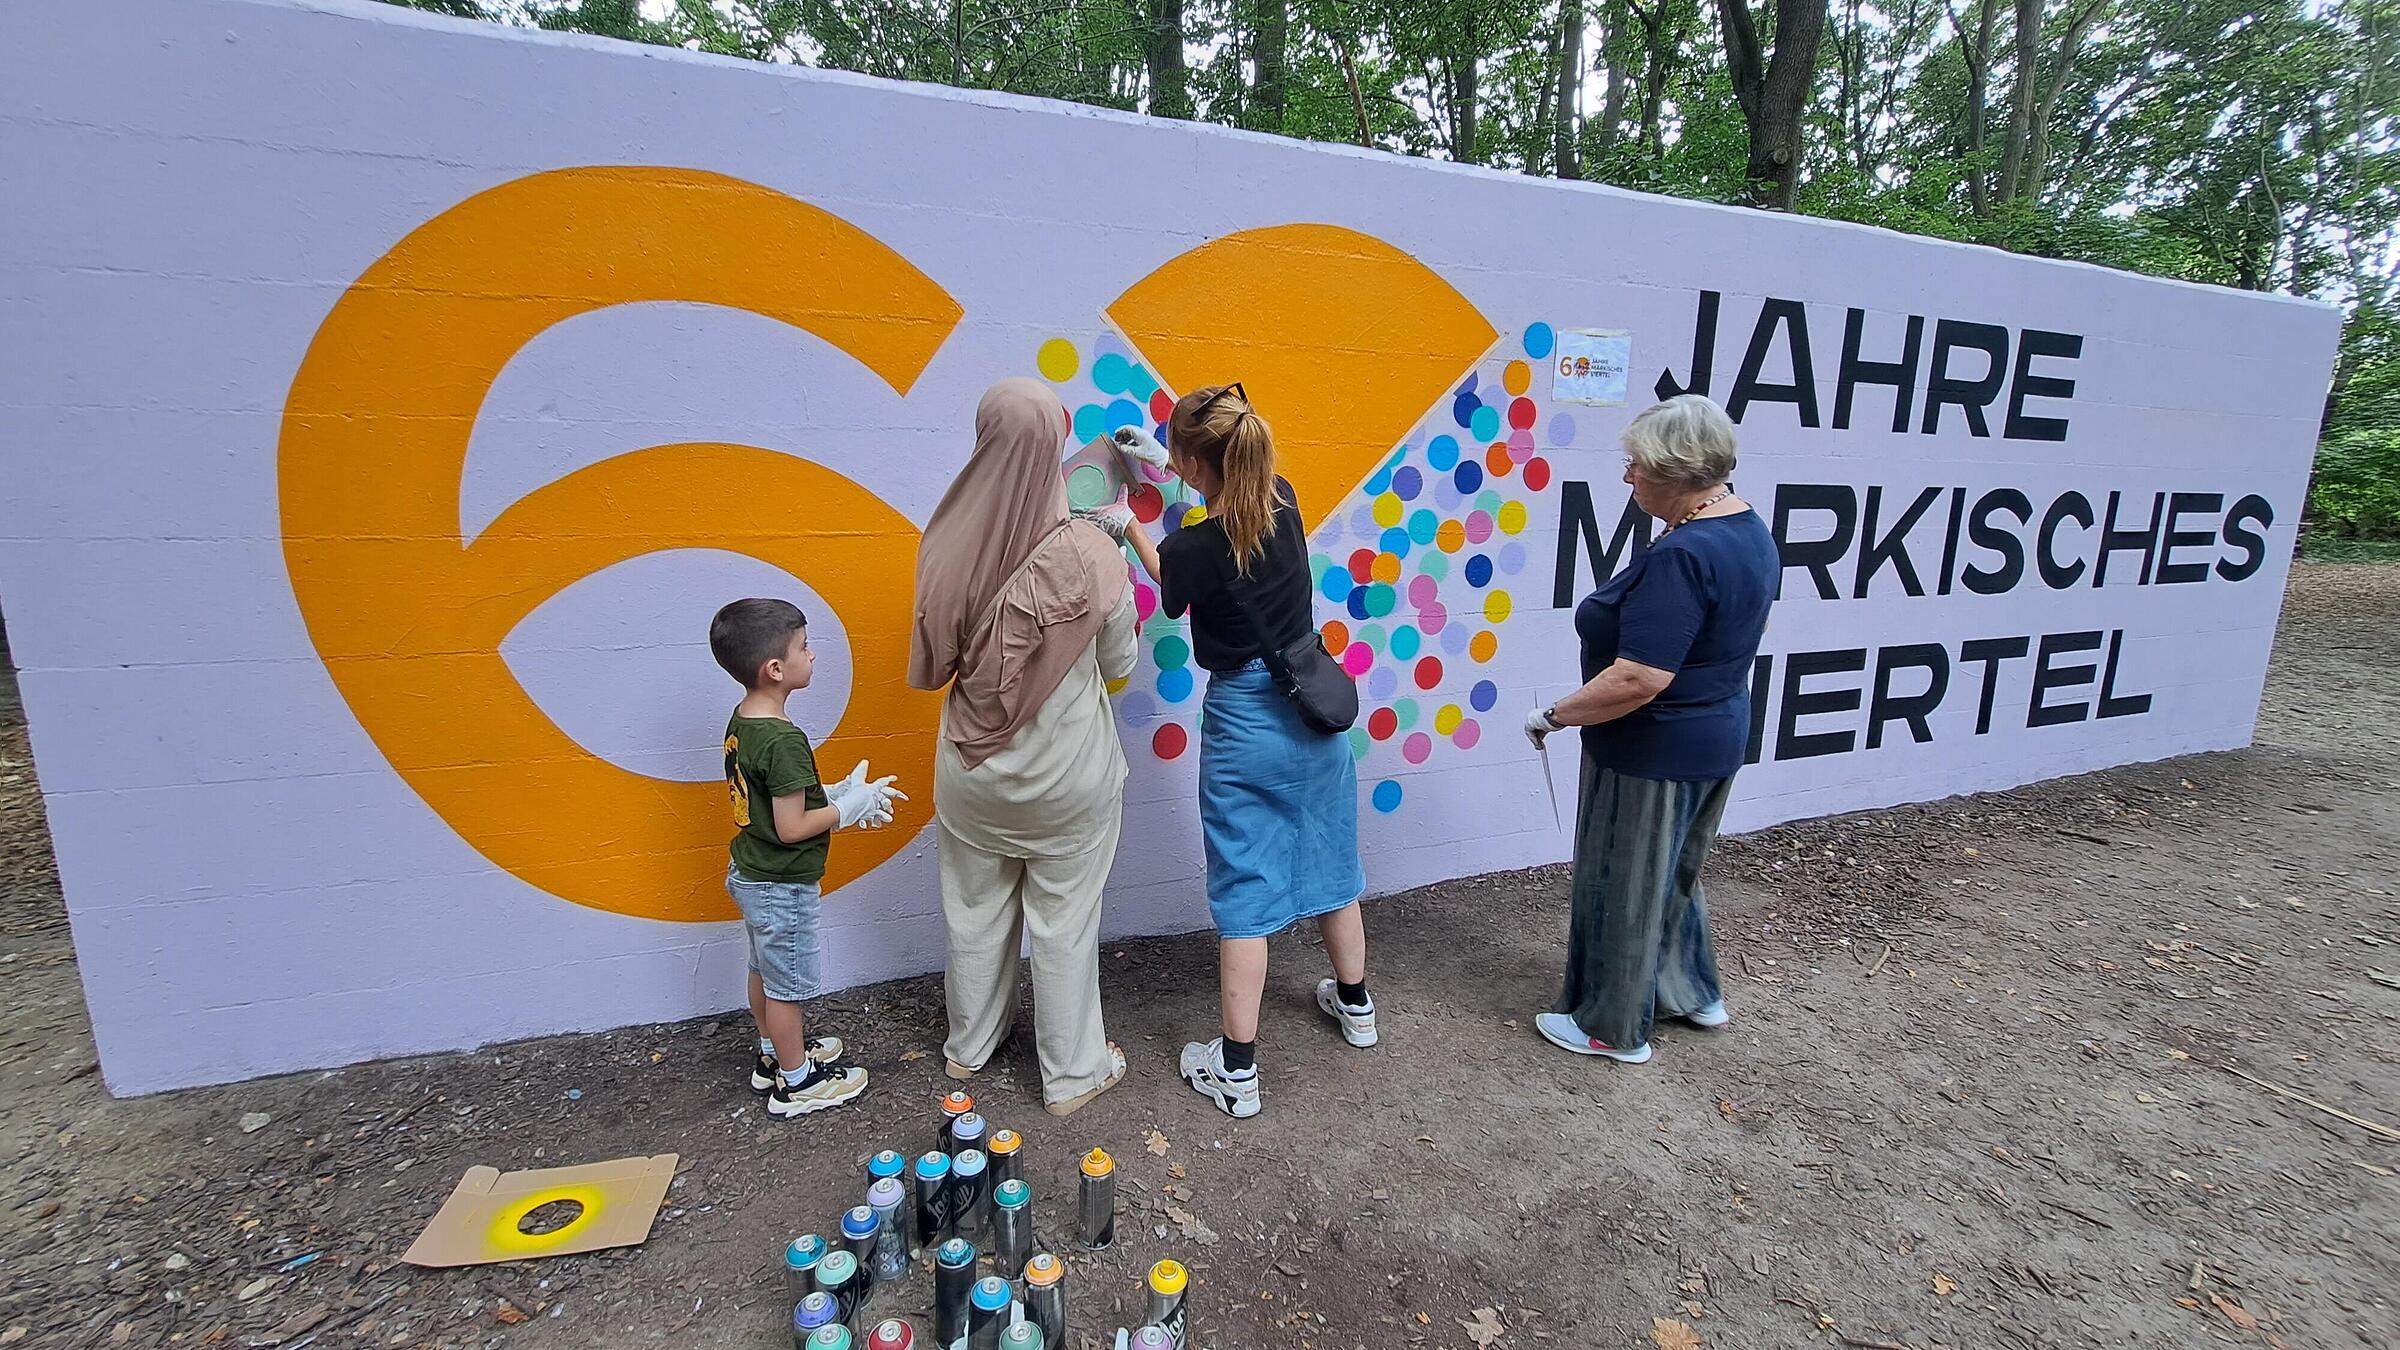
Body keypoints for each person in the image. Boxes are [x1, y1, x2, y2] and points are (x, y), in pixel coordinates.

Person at [1113, 384, 1375, 1120]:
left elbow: (1174, 580)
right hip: (1313, 709)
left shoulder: (1194, 545)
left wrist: (1126, 524)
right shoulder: (1283, 499)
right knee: (1332, 862)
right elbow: (1233, 502)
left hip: (1247, 723)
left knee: (1244, 891)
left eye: (1180, 458)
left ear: (1197, 460)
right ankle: (1357, 1009)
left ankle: (1236, 1071)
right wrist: (1175, 473)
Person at [1521, 394, 1778, 1064]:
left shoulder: (1684, 555)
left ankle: (1612, 1027)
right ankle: (1692, 992)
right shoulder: (1746, 527)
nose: (1627, 478)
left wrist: (1555, 714)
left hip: (1652, 746)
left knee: (1624, 883)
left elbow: (1640, 678)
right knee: (1672, 874)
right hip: (1715, 734)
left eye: (1637, 465)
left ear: (1677, 470)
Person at [909, 378, 1138, 1118]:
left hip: (971, 773)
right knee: (1065, 921)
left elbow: (932, 663)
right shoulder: (1094, 553)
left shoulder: (942, 543)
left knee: (973, 910)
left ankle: (969, 1048)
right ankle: (1072, 1074)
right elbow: (1117, 667)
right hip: (1069, 778)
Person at [710, 597, 900, 1117]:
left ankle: (773, 1054)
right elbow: (793, 828)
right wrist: (844, 807)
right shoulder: (785, 740)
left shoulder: (743, 721)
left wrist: (837, 791)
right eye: (804, 647)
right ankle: (797, 1083)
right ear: (776, 669)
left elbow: (774, 802)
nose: (812, 656)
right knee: (787, 986)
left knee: (763, 970)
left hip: (750, 871)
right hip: (782, 883)